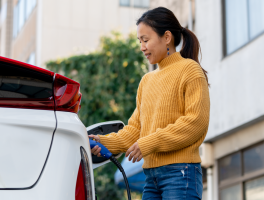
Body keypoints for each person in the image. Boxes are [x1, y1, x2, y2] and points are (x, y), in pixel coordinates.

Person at [89, 7, 210, 200]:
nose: (142, 47)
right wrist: (103, 142)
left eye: (146, 40)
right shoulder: (146, 81)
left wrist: (150, 143)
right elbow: (135, 130)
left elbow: (195, 124)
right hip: (151, 177)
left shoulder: (190, 70)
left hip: (180, 173)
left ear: (167, 37)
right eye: (140, 42)